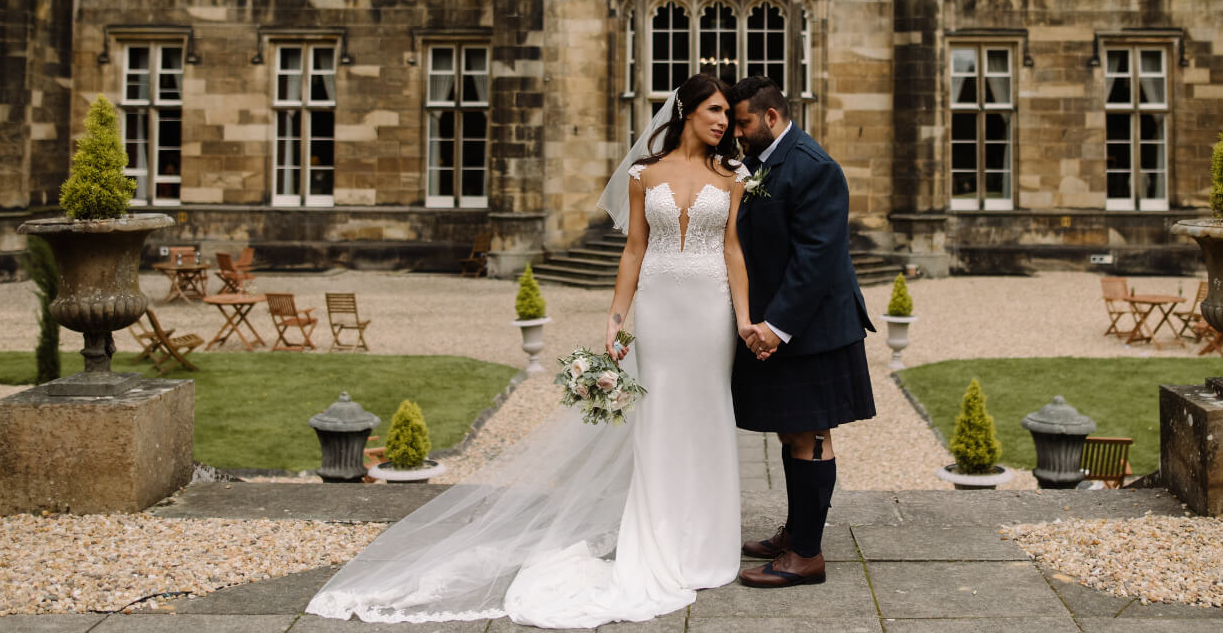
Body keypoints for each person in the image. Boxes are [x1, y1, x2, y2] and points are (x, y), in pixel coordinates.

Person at [305, 74, 752, 629]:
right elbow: (634, 250)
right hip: (659, 310)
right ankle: (659, 540)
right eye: (714, 111)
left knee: (709, 417)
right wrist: (616, 319)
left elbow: (732, 250)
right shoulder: (643, 176)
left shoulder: (733, 176)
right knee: (658, 421)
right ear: (685, 111)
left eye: (727, 116)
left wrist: (746, 316)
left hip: (711, 311)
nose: (723, 123)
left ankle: (707, 545)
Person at [725, 76, 877, 589]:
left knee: (812, 434)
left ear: (771, 117)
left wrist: (775, 325)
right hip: (793, 324)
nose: (736, 132)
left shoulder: (814, 168)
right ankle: (796, 532)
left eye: (743, 122)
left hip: (816, 329)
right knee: (794, 431)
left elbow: (816, 258)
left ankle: (806, 555)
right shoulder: (765, 162)